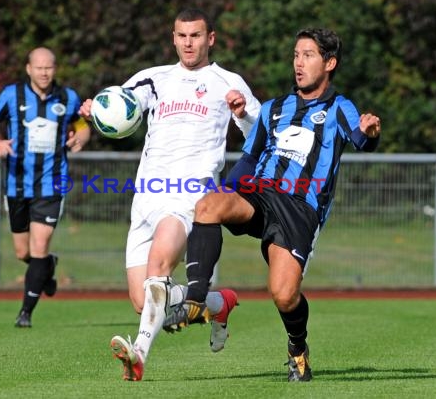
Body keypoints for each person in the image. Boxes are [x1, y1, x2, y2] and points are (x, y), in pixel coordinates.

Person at [163, 28, 381, 382]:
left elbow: (359, 140)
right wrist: (229, 192)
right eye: (296, 54)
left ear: (329, 63)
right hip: (260, 193)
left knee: (283, 294)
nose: (298, 62)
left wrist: (370, 134)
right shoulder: (273, 108)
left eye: (308, 55)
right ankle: (196, 298)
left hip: (300, 208)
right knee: (208, 206)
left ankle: (298, 347)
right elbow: (249, 159)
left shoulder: (339, 107)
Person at [79, 8, 261, 381]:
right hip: (146, 195)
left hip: (188, 196)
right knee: (142, 300)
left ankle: (139, 355)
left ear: (210, 39)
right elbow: (120, 106)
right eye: (181, 36)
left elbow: (259, 137)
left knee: (158, 270)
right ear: (173, 38)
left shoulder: (228, 82)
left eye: (196, 36)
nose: (188, 43)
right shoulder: (153, 78)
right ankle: (217, 303)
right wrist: (93, 115)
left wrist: (241, 115)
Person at [0, 47, 91, 328]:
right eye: (39, 67)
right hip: (17, 185)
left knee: (39, 245)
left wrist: (81, 138)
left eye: (49, 67)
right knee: (23, 253)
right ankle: (46, 268)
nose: (44, 72)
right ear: (29, 69)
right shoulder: (11, 95)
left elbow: (83, 125)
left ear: (55, 69)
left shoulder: (67, 98)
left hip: (52, 184)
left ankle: (25, 312)